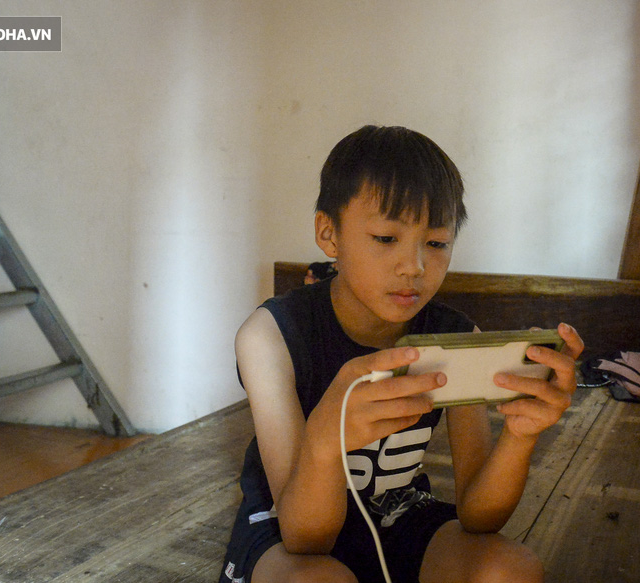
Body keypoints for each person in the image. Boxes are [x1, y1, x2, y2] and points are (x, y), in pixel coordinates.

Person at [219, 125, 584, 583]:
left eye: (436, 243)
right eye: (386, 238)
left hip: (395, 513)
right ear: (329, 234)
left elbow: (479, 517)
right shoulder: (271, 336)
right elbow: (304, 537)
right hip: (286, 526)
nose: (414, 266)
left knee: (511, 571)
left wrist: (520, 434)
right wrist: (325, 439)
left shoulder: (452, 337)